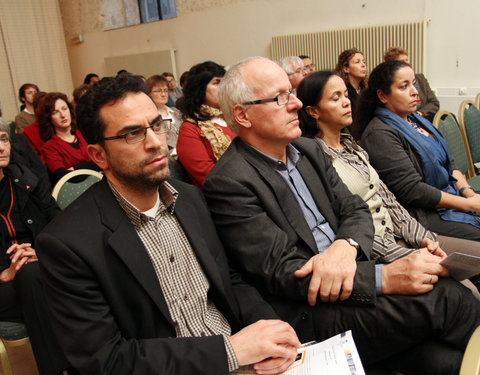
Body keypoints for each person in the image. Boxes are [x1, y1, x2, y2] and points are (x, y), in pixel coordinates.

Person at [203, 56, 480, 375]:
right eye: (280, 97)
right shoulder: (230, 181)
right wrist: (384, 277)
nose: (295, 103)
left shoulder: (307, 150)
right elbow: (282, 271)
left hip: (351, 278)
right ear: (243, 114)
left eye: (291, 92)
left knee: (444, 361)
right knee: (447, 297)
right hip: (308, 310)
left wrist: (344, 246)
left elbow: (355, 209)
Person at [36, 74, 301, 375]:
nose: (155, 143)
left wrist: (269, 329)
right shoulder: (67, 243)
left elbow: (229, 279)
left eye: (156, 125)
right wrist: (230, 351)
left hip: (243, 356)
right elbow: (107, 360)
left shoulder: (189, 199)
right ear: (99, 156)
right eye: (132, 134)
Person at [296, 70, 480, 292]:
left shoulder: (352, 146)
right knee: (468, 291)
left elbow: (389, 202)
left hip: (403, 235)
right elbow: (350, 229)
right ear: (313, 111)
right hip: (377, 253)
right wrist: (408, 254)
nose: (346, 103)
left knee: (472, 265)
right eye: (336, 98)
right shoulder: (316, 159)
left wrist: (424, 239)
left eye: (346, 95)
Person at [354, 60, 480, 242]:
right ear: (383, 96)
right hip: (423, 214)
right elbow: (413, 190)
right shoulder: (379, 133)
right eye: (404, 86)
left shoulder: (415, 118)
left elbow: (449, 163)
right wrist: (467, 204)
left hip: (452, 196)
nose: (414, 91)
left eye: (413, 84)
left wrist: (469, 192)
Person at [0, 121, 72, 375]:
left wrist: (40, 253)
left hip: (38, 270)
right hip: (4, 283)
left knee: (35, 278)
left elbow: (61, 225)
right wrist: (4, 273)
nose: (1, 148)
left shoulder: (26, 180)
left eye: (4, 139)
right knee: (44, 284)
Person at [176, 61, 234, 187]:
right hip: (223, 195)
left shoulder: (232, 118)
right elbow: (208, 177)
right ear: (200, 89)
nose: (223, 87)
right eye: (217, 82)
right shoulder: (190, 129)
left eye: (224, 82)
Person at [37, 92, 99, 183]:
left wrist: (74, 169)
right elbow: (64, 177)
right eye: (55, 112)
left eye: (64, 109)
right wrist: (94, 165)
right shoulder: (49, 147)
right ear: (49, 118)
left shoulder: (84, 133)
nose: (63, 115)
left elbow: (104, 159)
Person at [384, 46, 440, 122]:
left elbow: (434, 103)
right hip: (407, 120)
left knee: (447, 117)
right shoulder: (391, 84)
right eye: (402, 61)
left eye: (407, 60)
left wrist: (419, 114)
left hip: (425, 115)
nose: (407, 63)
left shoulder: (421, 79)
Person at [146, 75, 182, 153]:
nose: (163, 94)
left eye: (165, 90)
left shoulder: (175, 111)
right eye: (158, 91)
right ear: (149, 93)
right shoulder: (149, 117)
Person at [334, 48, 366, 115]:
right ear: (346, 69)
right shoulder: (343, 91)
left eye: (364, 62)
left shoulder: (365, 89)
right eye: (357, 62)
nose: (363, 65)